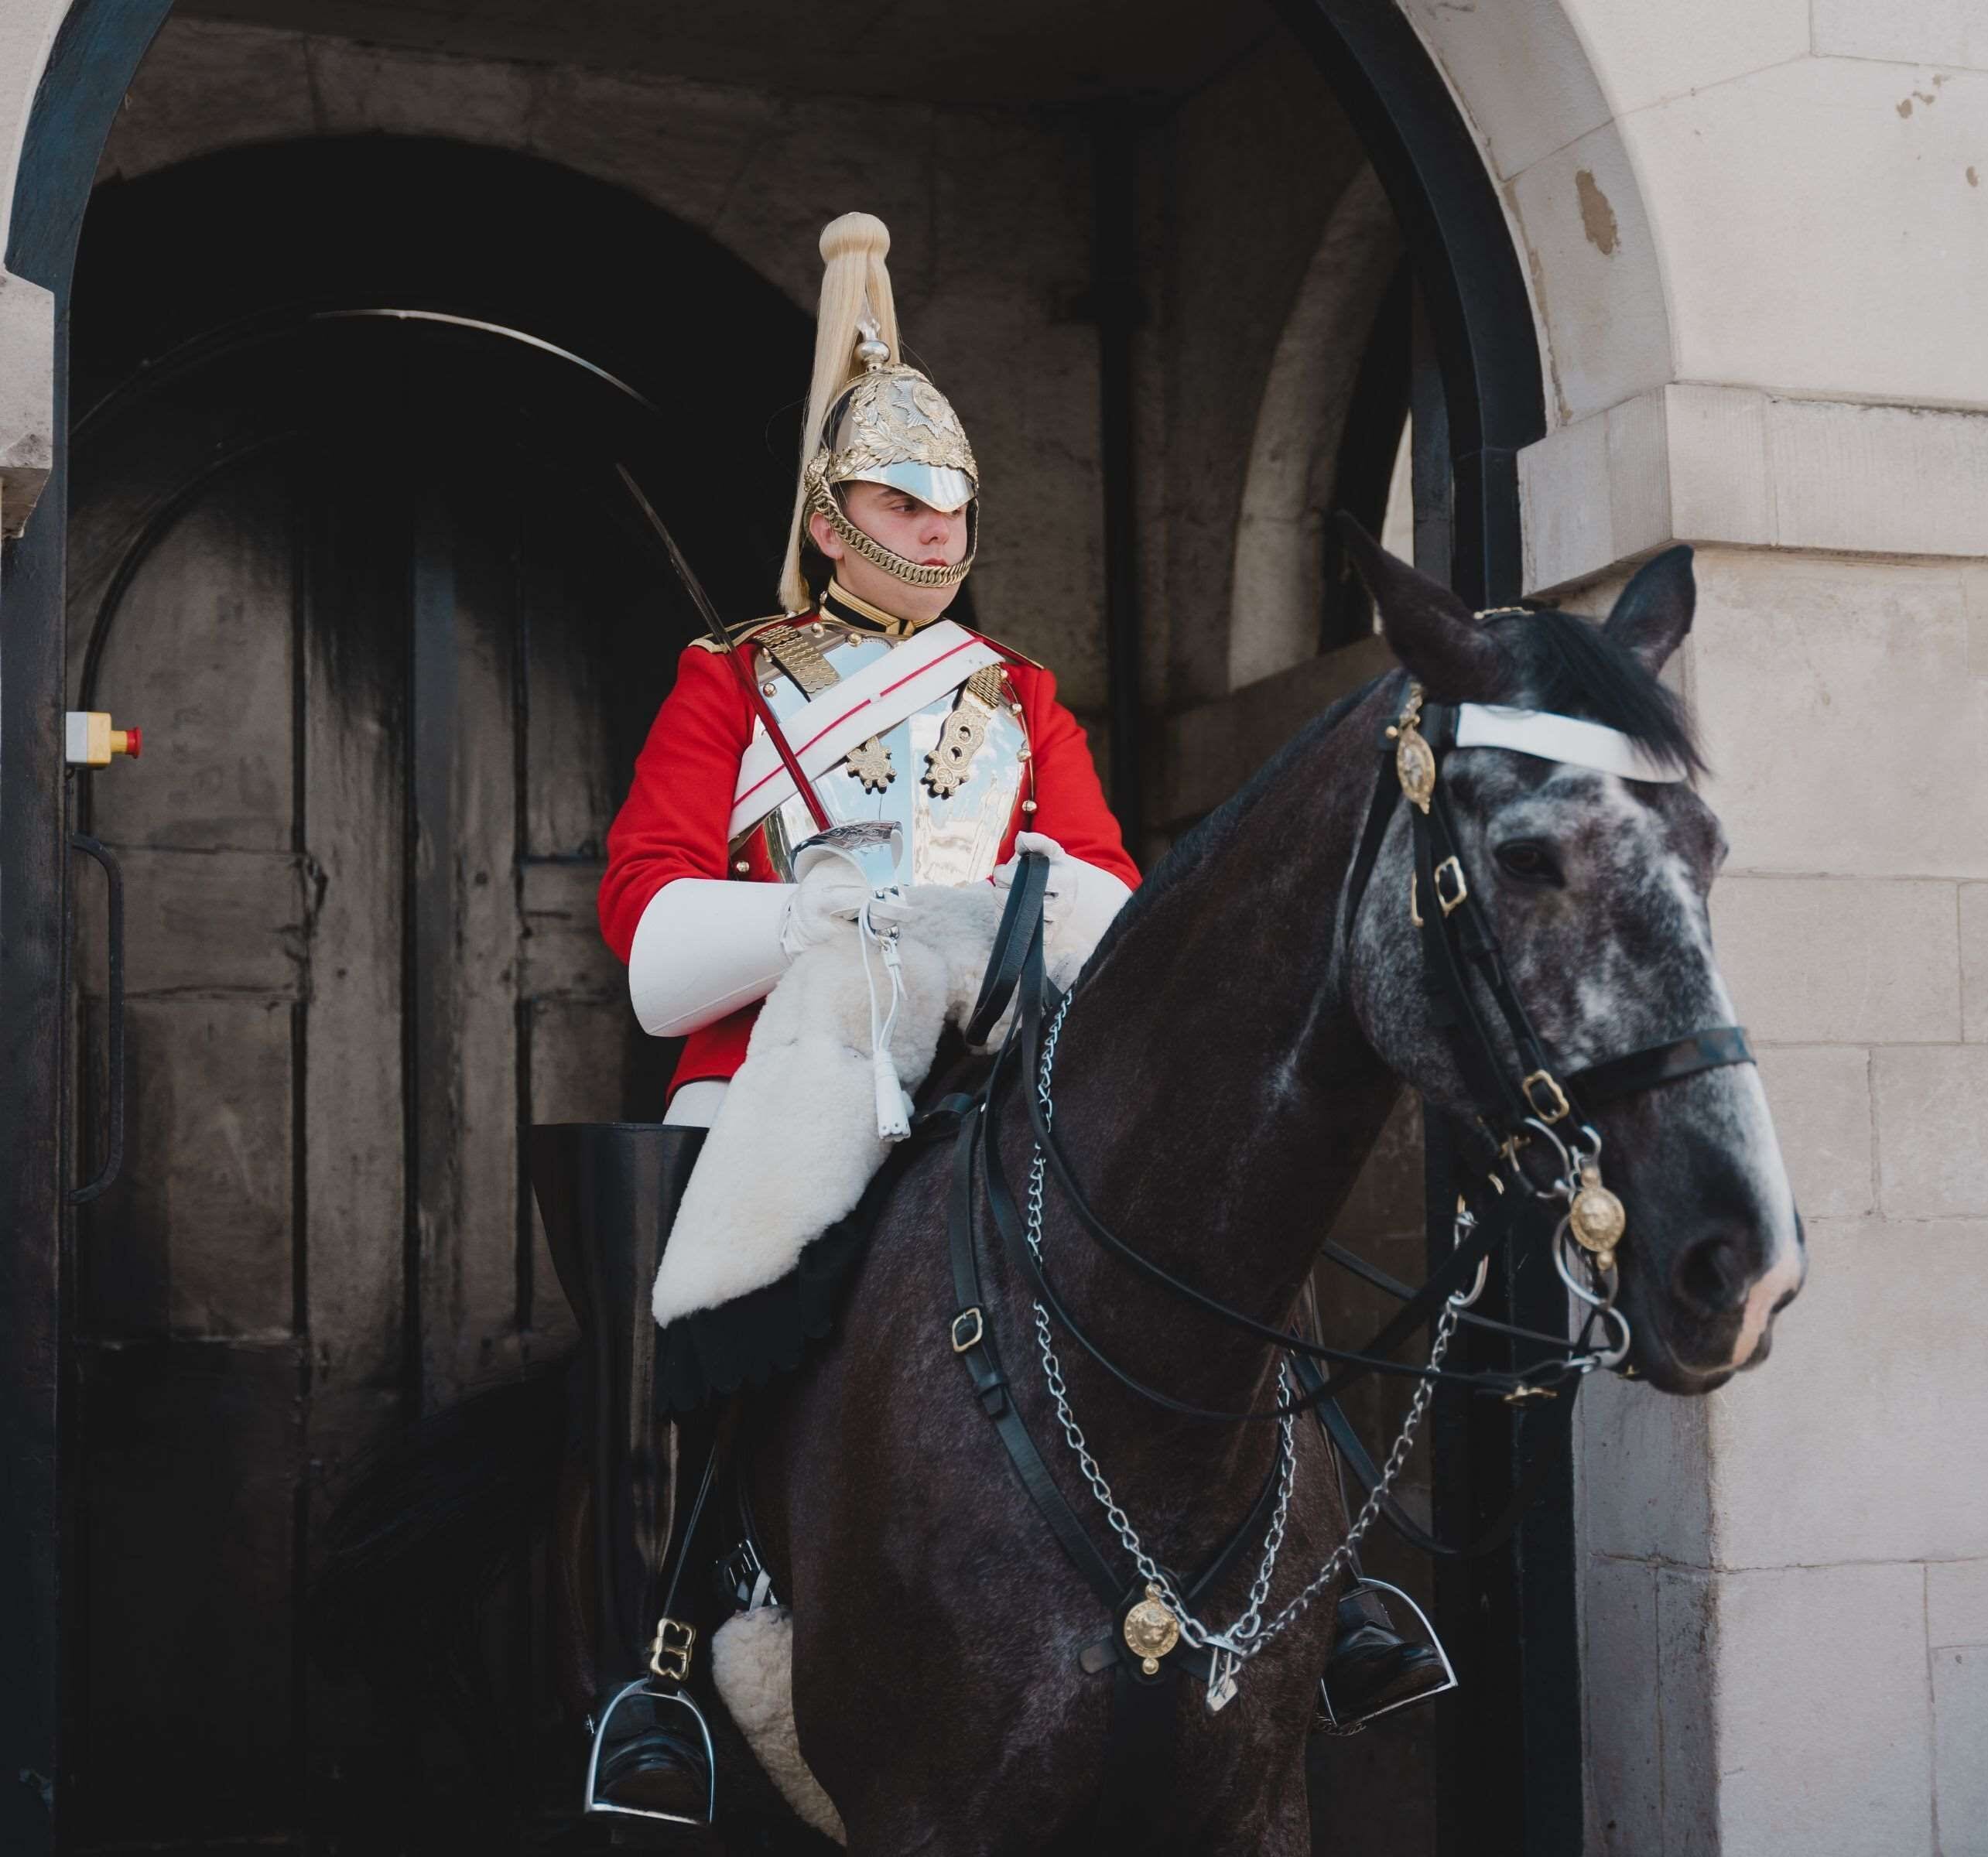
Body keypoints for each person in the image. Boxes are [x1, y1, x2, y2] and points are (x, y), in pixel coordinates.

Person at [566, 211, 1441, 1827]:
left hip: (1007, 1043)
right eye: (902, 500)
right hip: (797, 1052)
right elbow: (653, 934)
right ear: (829, 526)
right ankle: (669, 1653)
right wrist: (829, 917)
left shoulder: (1018, 694)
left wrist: (1013, 915)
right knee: (711, 1269)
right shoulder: (730, 683)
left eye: (955, 502)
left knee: (1222, 1219)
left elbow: (1114, 890)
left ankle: (1343, 1584)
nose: (938, 527)